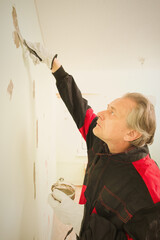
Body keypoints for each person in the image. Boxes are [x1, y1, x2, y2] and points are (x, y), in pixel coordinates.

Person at [25, 41, 160, 240]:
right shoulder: (102, 142)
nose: (100, 113)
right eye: (108, 107)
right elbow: (80, 107)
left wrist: (83, 220)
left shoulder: (149, 189)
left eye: (112, 113)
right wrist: (54, 65)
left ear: (131, 134)